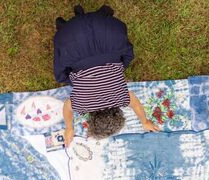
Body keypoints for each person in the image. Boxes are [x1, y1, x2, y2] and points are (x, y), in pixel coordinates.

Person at [54, 4, 160, 146]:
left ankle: (100, 16)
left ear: (119, 114)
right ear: (90, 120)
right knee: (62, 77)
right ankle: (69, 27)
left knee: (123, 61)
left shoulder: (122, 99)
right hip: (74, 42)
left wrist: (145, 122)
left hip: (107, 34)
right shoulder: (81, 105)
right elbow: (67, 106)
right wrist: (69, 128)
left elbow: (136, 105)